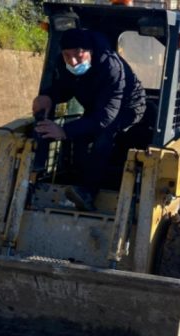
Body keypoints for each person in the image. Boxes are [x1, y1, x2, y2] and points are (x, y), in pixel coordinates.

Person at [33, 28, 146, 211]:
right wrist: (48, 97)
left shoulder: (111, 68)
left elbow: (106, 117)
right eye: (67, 55)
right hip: (97, 107)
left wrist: (64, 130)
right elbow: (64, 88)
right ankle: (76, 183)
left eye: (78, 55)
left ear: (90, 52)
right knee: (80, 138)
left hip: (128, 108)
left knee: (103, 138)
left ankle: (89, 192)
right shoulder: (66, 65)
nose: (73, 61)